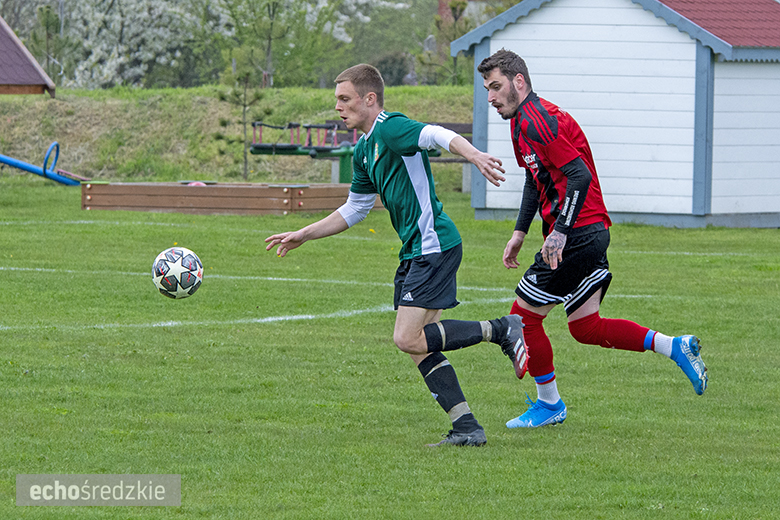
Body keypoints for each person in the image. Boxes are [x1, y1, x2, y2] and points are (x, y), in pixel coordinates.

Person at [265, 64, 527, 447]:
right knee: (421, 344)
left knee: (407, 338)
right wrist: (304, 234)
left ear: (369, 99)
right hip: (416, 250)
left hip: (433, 245)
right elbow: (355, 209)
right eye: (337, 100)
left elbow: (435, 133)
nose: (339, 107)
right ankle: (467, 427)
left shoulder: (389, 127)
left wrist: (473, 155)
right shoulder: (363, 149)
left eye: (345, 99)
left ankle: (501, 328)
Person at [476, 49, 708, 429]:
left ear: (519, 81)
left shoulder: (538, 121)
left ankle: (550, 405)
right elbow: (535, 180)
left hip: (579, 234)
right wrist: (520, 231)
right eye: (488, 89)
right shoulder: (520, 123)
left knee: (522, 320)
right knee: (586, 327)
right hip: (589, 232)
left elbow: (579, 176)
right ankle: (674, 345)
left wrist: (559, 234)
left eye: (497, 87)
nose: (491, 97)